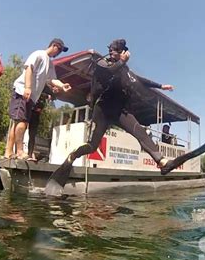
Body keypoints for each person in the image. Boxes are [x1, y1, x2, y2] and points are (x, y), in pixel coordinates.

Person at [46, 39, 178, 195]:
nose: (112, 53)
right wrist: (121, 62)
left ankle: (161, 162)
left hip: (120, 111)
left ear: (122, 52)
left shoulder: (124, 68)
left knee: (140, 132)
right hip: (102, 110)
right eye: (112, 50)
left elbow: (139, 80)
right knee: (92, 146)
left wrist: (161, 86)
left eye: (116, 51)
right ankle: (73, 155)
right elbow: (108, 73)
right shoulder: (102, 64)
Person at [4, 38, 72, 159]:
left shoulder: (50, 64)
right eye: (60, 49)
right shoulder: (39, 54)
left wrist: (62, 85)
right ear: (54, 46)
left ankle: (8, 152)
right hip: (22, 91)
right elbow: (29, 68)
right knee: (22, 122)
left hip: (31, 97)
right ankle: (19, 151)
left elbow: (52, 79)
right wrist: (28, 87)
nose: (60, 52)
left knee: (17, 122)